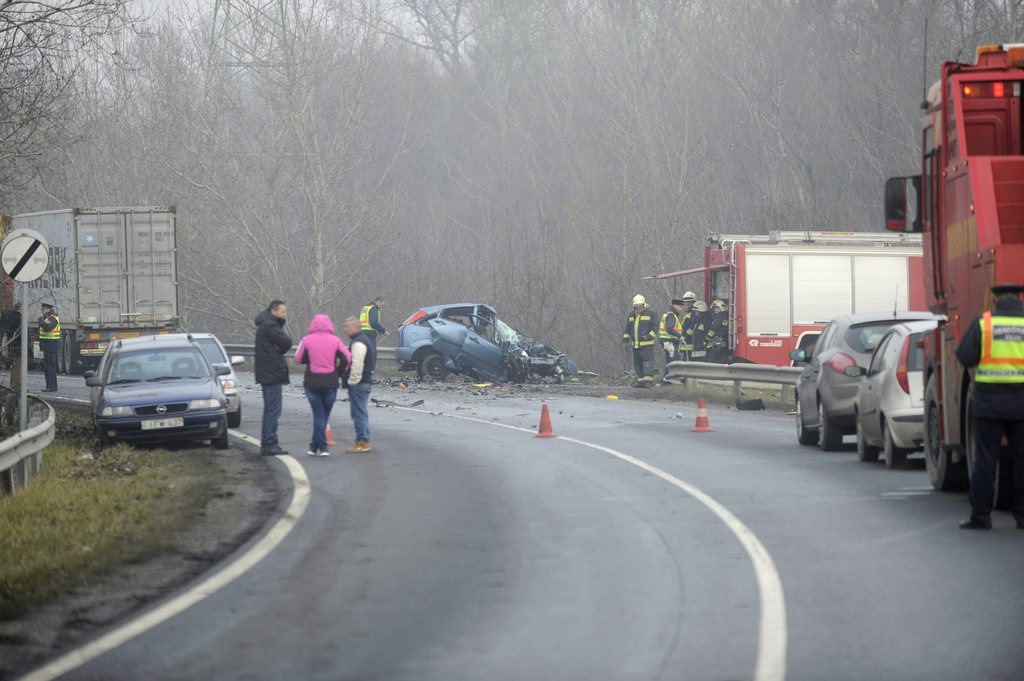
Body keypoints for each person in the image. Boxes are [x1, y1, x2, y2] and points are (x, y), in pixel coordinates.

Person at [955, 282, 1024, 530]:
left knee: (985, 460)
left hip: (989, 404)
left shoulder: (984, 323)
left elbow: (964, 356)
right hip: (1021, 405)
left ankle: (981, 517)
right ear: (1019, 299)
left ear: (995, 300)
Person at [294, 314, 352, 457]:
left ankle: (314, 447)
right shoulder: (336, 341)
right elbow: (348, 358)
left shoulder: (306, 340)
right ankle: (323, 447)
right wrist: (338, 373)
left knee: (319, 415)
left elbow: (298, 358)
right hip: (330, 383)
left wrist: (309, 358)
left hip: (312, 382)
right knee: (323, 415)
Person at [254, 300, 293, 456]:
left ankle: (268, 442)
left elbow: (281, 345)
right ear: (274, 311)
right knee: (273, 410)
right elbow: (286, 342)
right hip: (271, 374)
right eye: (283, 311)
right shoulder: (270, 326)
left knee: (270, 409)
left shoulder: (265, 324)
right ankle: (269, 443)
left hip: (267, 373)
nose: (285, 314)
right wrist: (282, 344)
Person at [343, 316, 377, 453]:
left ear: (355, 327)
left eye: (347, 326)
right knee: (361, 411)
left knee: (358, 413)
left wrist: (352, 381)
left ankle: (362, 442)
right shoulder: (363, 340)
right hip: (364, 382)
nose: (345, 329)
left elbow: (357, 363)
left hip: (360, 383)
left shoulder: (358, 342)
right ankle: (363, 439)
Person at [623, 294, 657, 388]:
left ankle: (648, 382)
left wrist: (649, 336)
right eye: (636, 306)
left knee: (647, 363)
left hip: (647, 345)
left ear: (643, 304)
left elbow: (655, 328)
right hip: (635, 345)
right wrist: (625, 340)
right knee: (637, 363)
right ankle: (640, 381)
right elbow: (628, 329)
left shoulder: (651, 313)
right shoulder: (631, 314)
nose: (638, 308)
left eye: (639, 306)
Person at [659, 298, 685, 384]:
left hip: (669, 342)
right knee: (672, 361)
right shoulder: (671, 316)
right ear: (675, 305)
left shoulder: (670, 315)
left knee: (673, 360)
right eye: (680, 307)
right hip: (669, 342)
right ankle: (667, 379)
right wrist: (679, 336)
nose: (681, 309)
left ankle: (668, 379)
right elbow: (669, 328)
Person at [38, 303, 60, 392]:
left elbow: (48, 327)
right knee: (48, 366)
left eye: (43, 309)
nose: (42, 311)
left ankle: (51, 386)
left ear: (47, 309)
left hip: (51, 344)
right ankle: (50, 386)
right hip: (47, 344)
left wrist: (41, 322)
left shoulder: (53, 318)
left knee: (50, 366)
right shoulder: (47, 318)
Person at [1, 304, 21, 391]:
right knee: (17, 366)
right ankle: (16, 386)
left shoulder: (8, 318)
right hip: (17, 346)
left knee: (15, 365)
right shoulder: (18, 319)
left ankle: (14, 385)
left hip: (11, 345)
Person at [705, 299, 731, 364]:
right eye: (714, 308)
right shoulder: (726, 316)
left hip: (717, 343)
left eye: (717, 308)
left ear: (721, 308)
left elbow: (713, 329)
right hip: (723, 342)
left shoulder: (719, 317)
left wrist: (706, 340)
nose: (715, 310)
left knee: (712, 360)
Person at [677, 291, 698, 361]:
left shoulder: (694, 313)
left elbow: (692, 326)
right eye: (686, 302)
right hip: (685, 341)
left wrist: (686, 335)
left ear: (693, 302)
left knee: (689, 359)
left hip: (689, 342)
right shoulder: (689, 312)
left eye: (689, 302)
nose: (687, 304)